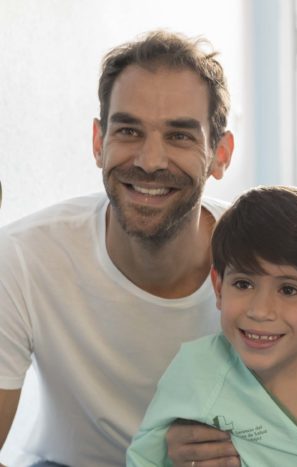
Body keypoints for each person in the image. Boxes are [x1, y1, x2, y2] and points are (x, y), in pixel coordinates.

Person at [0, 31, 235, 466]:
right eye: (128, 131)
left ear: (220, 154)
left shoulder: (269, 252)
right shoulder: (23, 257)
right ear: (98, 142)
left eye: (180, 136)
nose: (150, 161)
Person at [126, 185, 297, 466]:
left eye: (289, 290)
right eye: (243, 284)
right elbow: (144, 460)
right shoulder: (196, 369)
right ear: (219, 288)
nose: (260, 311)